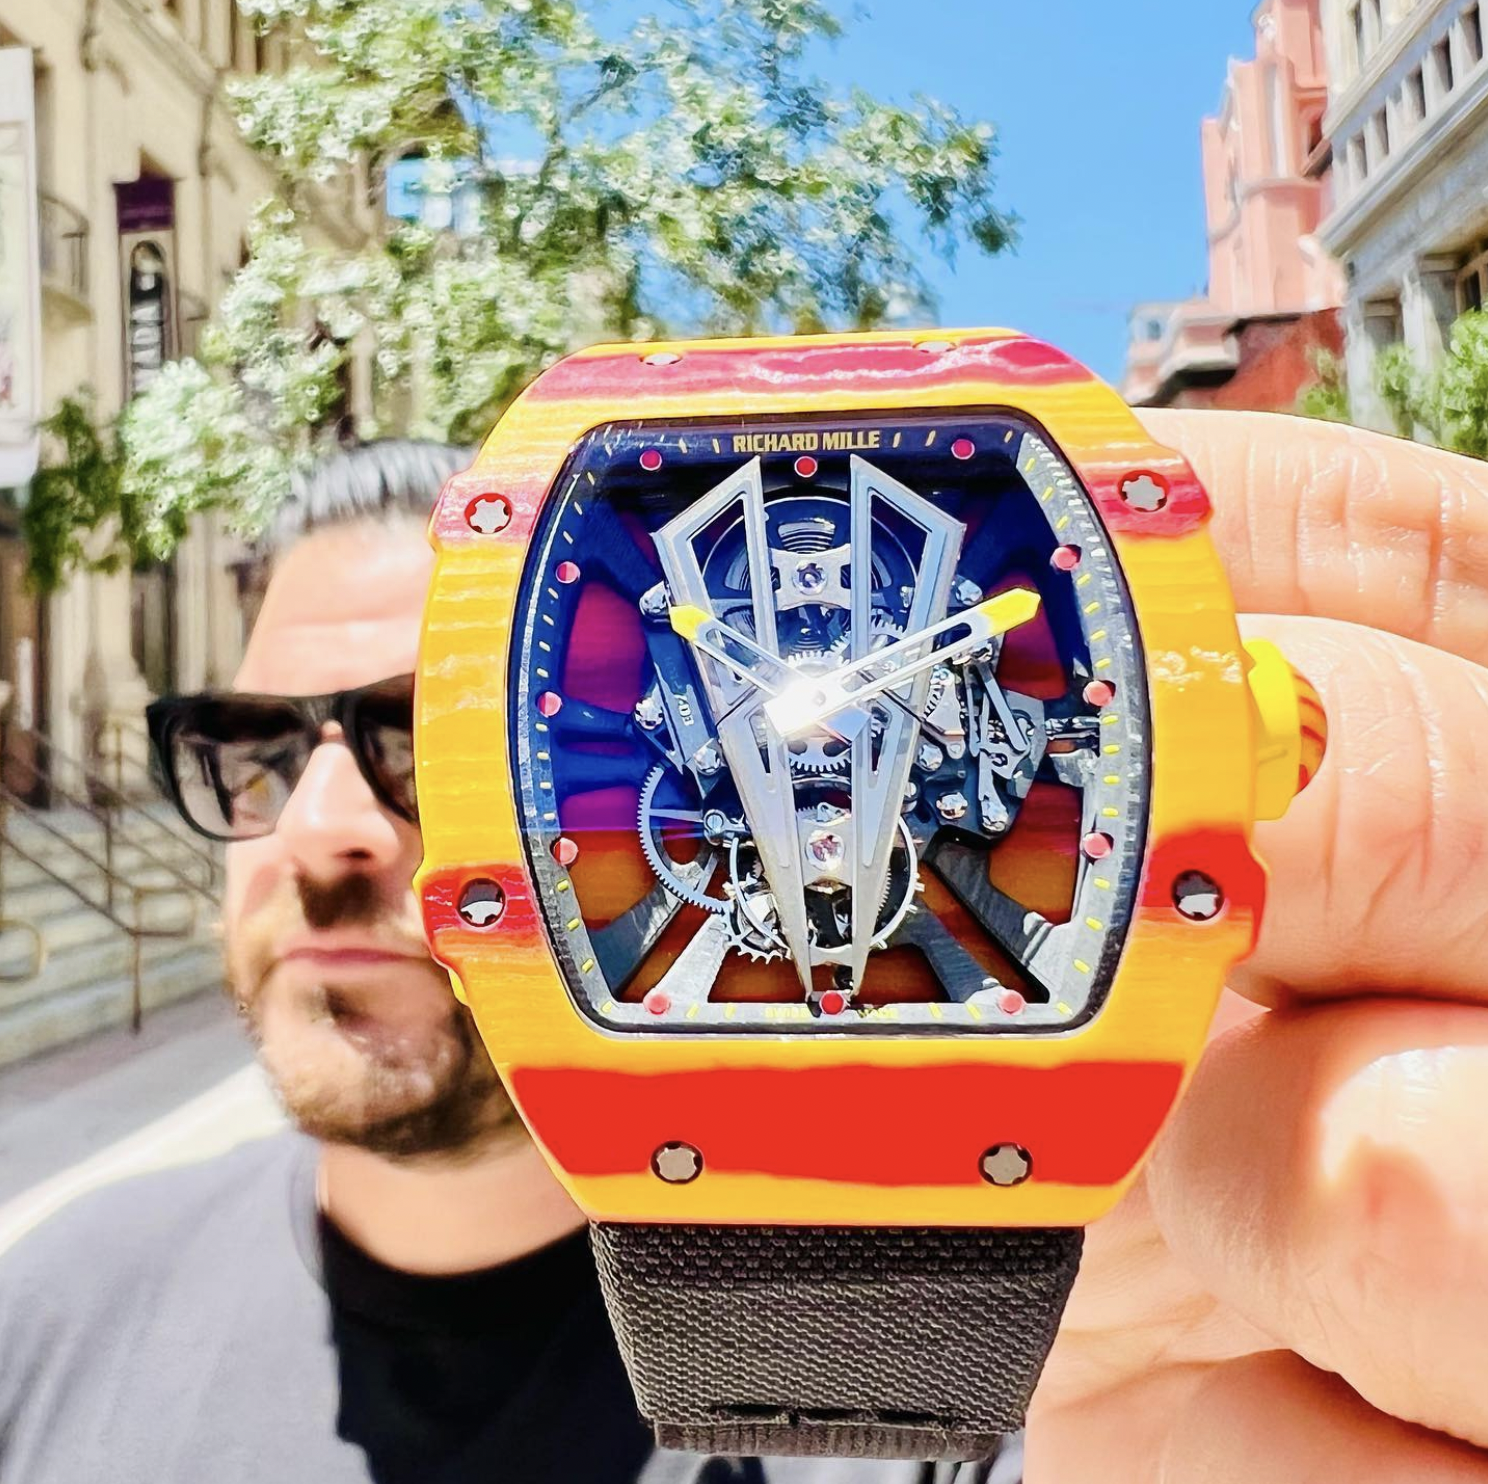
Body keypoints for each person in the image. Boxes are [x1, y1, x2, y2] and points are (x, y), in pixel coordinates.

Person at [0, 412, 1484, 1484]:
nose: (322, 827)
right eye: (261, 749)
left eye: (410, 737)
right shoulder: (41, 1311)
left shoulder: (1070, 1372)